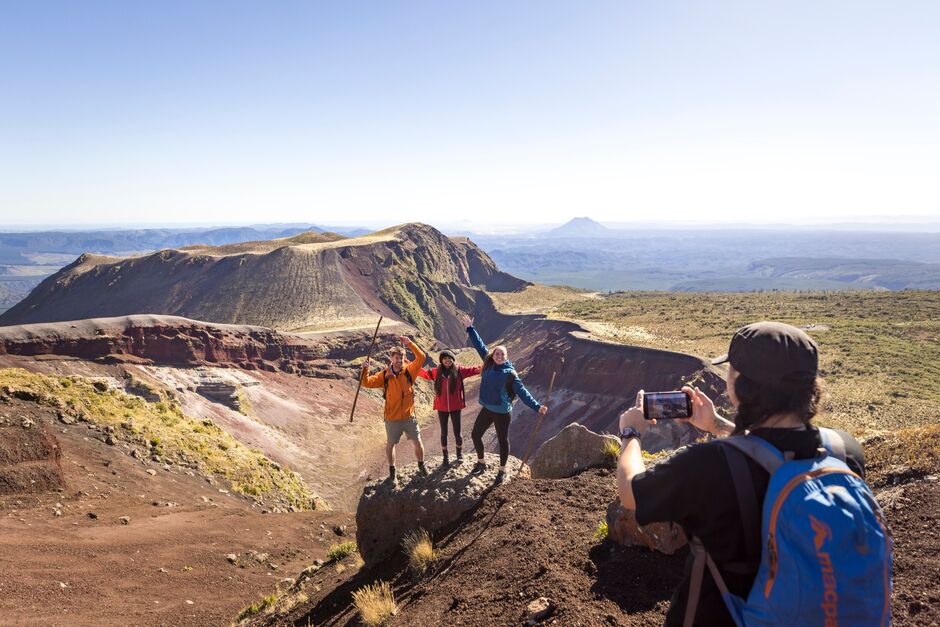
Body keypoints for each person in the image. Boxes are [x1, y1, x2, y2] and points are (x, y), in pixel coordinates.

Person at [616, 321, 872, 626]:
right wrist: (716, 425)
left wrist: (632, 432)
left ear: (740, 383)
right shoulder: (843, 451)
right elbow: (771, 451)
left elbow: (631, 492)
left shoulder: (707, 466)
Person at [463, 314, 548, 481]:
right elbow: (479, 345)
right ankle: (481, 462)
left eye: (503, 355)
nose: (499, 356)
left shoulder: (510, 374)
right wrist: (470, 328)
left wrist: (537, 407)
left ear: (506, 357)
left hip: (502, 412)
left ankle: (501, 471)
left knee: (502, 440)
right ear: (493, 355)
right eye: (497, 354)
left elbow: (523, 393)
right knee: (475, 435)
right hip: (487, 408)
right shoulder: (488, 364)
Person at [360, 335, 428, 483]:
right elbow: (366, 383)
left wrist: (409, 343)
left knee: (417, 441)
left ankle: (421, 466)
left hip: (409, 416)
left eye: (402, 357)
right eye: (397, 357)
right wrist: (365, 370)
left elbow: (421, 357)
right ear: (391, 358)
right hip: (392, 418)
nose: (400, 360)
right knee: (391, 444)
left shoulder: (409, 371)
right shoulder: (384, 375)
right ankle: (392, 471)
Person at [418, 349, 482, 466]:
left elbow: (474, 370)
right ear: (441, 360)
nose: (447, 360)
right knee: (444, 433)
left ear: (453, 360)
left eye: (450, 358)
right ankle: (445, 457)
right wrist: (411, 367)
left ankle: (459, 455)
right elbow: (424, 374)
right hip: (442, 408)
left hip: (455, 407)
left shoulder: (459, 371)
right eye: (445, 358)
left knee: (457, 432)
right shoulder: (436, 372)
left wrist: (488, 365)